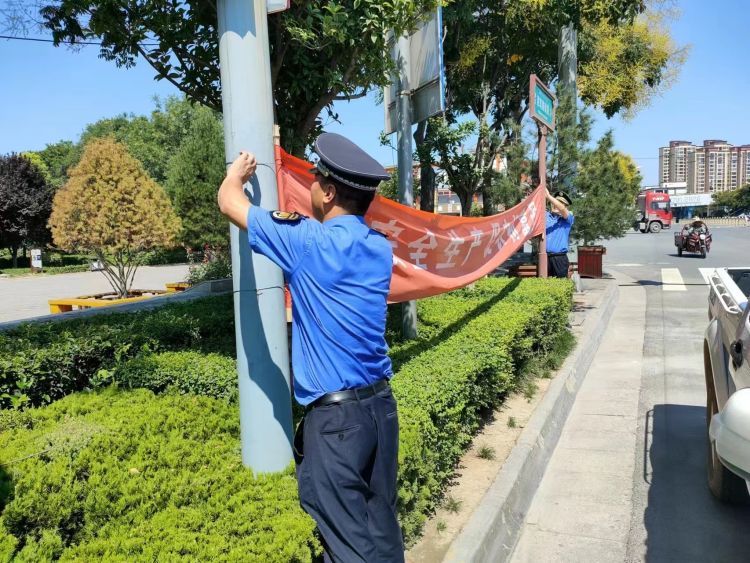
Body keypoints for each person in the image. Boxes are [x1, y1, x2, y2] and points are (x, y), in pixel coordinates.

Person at [217, 132, 402, 563]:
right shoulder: (379, 248)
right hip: (381, 410)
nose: (313, 186)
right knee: (381, 525)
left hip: (337, 424)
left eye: (317, 179)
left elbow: (229, 203)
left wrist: (236, 174)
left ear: (330, 192)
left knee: (347, 544)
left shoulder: (307, 243)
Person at [545, 188, 574, 278]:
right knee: (543, 284)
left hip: (559, 259)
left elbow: (562, 209)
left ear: (565, 207)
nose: (555, 205)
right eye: (554, 202)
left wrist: (548, 196)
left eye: (559, 203)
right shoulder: (545, 216)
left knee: (560, 284)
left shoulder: (568, 219)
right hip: (544, 258)